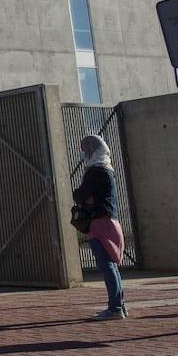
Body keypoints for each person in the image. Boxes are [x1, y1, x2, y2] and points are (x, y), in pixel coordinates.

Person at [73, 134, 127, 321]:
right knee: (112, 266)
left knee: (107, 266)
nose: (83, 153)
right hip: (110, 221)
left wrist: (83, 197)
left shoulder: (96, 171)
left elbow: (80, 194)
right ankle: (119, 305)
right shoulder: (107, 168)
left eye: (85, 149)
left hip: (99, 223)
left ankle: (115, 308)